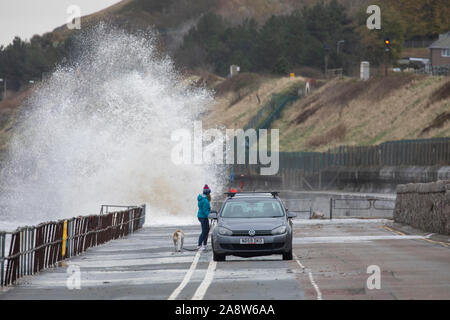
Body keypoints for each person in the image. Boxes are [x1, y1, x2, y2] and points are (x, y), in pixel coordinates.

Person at [197, 184, 211, 250]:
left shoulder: (202, 198)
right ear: (207, 193)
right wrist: (210, 215)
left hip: (201, 216)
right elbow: (205, 210)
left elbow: (205, 210)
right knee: (204, 231)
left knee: (206, 230)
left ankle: (204, 244)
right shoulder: (205, 200)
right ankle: (199, 245)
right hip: (203, 217)